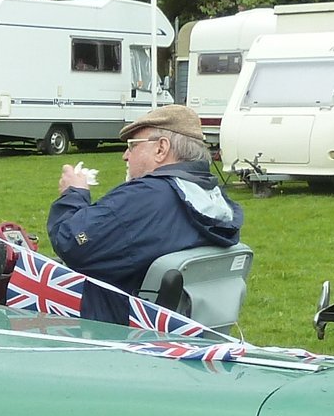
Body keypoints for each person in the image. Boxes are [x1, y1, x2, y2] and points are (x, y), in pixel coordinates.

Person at [46, 104, 242, 325]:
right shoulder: (211, 196)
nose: (125, 156)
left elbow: (71, 242)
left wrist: (74, 193)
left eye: (132, 146)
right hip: (185, 334)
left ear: (161, 149)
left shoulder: (146, 198)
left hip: (116, 334)